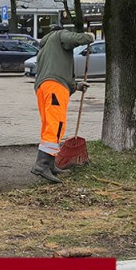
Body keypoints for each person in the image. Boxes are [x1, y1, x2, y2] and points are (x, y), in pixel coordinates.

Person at [31, 27, 94, 183]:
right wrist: (88, 37)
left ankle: (50, 163)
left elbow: (56, 71)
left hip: (44, 87)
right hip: (54, 87)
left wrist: (76, 86)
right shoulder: (58, 35)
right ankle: (42, 165)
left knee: (49, 124)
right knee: (55, 124)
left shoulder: (45, 49)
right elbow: (71, 38)